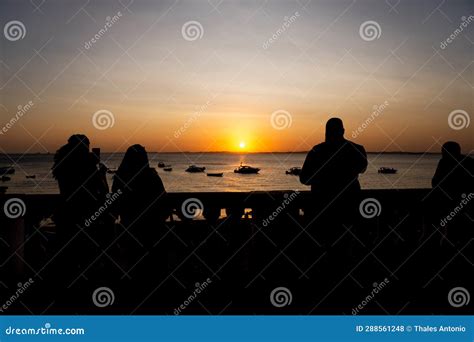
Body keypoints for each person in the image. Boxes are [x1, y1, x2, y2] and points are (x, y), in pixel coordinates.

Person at [111, 144, 168, 274]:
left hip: (130, 228)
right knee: (152, 268)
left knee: (134, 266)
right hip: (153, 229)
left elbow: (115, 204)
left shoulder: (121, 178)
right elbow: (163, 201)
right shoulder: (152, 177)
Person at [300, 118, 368, 223]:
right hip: (349, 208)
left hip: (322, 210)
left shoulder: (316, 151)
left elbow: (304, 179)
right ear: (343, 131)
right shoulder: (357, 149)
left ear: (326, 132)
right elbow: (362, 169)